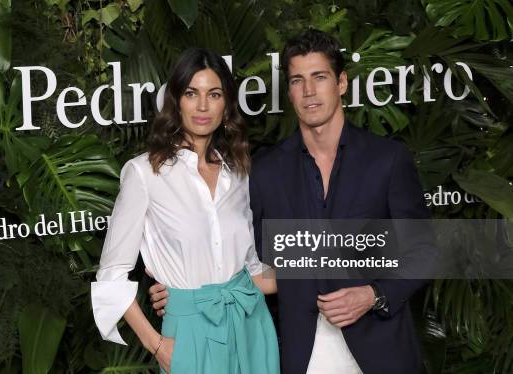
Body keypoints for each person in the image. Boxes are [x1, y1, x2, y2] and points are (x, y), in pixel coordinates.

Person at [150, 30, 431, 374]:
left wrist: (373, 294)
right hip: (298, 354)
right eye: (298, 80)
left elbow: (423, 251)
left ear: (341, 83)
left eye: (319, 77)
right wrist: (184, 293)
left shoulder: (387, 160)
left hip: (381, 352)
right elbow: (237, 258)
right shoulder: (265, 172)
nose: (309, 91)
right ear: (290, 91)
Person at [91, 48, 280, 374]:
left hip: (251, 324)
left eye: (214, 94)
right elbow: (110, 276)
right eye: (192, 93)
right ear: (176, 101)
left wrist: (326, 265)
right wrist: (158, 345)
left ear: (226, 106)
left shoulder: (237, 172)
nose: (203, 106)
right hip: (190, 335)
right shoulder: (144, 174)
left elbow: (252, 271)